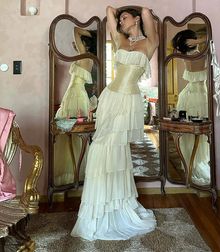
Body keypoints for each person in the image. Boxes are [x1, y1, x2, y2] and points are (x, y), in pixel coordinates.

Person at [71, 6, 159, 240]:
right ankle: (99, 207)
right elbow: (109, 11)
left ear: (137, 19)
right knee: (101, 147)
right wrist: (121, 17)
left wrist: (139, 13)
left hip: (128, 100)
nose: (120, 21)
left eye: (125, 17)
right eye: (120, 19)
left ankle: (116, 206)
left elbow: (146, 13)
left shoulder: (150, 43)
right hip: (110, 97)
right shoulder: (120, 39)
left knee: (117, 149)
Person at [53, 28, 97, 186]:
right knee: (73, 136)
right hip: (76, 95)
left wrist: (88, 33)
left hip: (75, 95)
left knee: (69, 134)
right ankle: (74, 172)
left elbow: (75, 30)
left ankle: (72, 174)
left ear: (85, 44)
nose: (75, 43)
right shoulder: (88, 58)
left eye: (79, 43)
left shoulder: (85, 57)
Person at [172, 29, 210, 186]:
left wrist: (196, 42)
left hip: (189, 94)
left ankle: (191, 164)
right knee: (198, 133)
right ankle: (194, 164)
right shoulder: (200, 54)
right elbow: (213, 38)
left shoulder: (186, 55)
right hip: (198, 95)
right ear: (191, 42)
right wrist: (199, 41)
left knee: (193, 134)